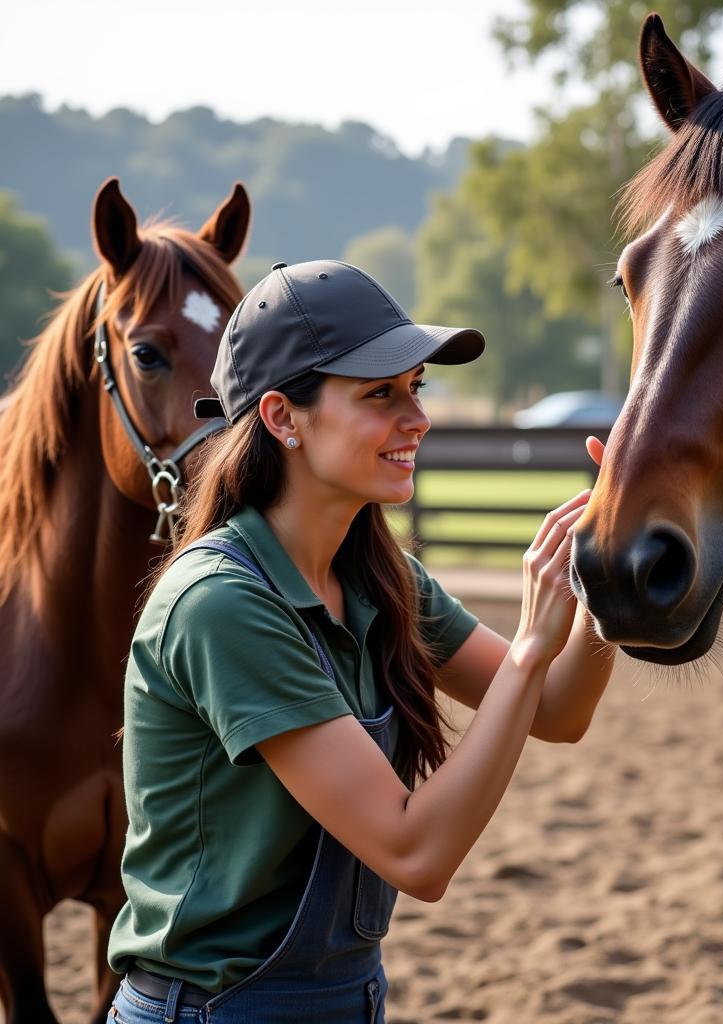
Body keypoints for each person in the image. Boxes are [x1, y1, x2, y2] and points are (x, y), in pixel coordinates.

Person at [106, 260, 615, 1023]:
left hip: (344, 999)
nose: (417, 418)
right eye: (380, 394)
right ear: (282, 418)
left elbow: (561, 713)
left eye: (417, 388)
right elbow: (417, 854)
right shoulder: (223, 605)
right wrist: (531, 646)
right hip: (216, 1011)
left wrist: (609, 580)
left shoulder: (380, 576)